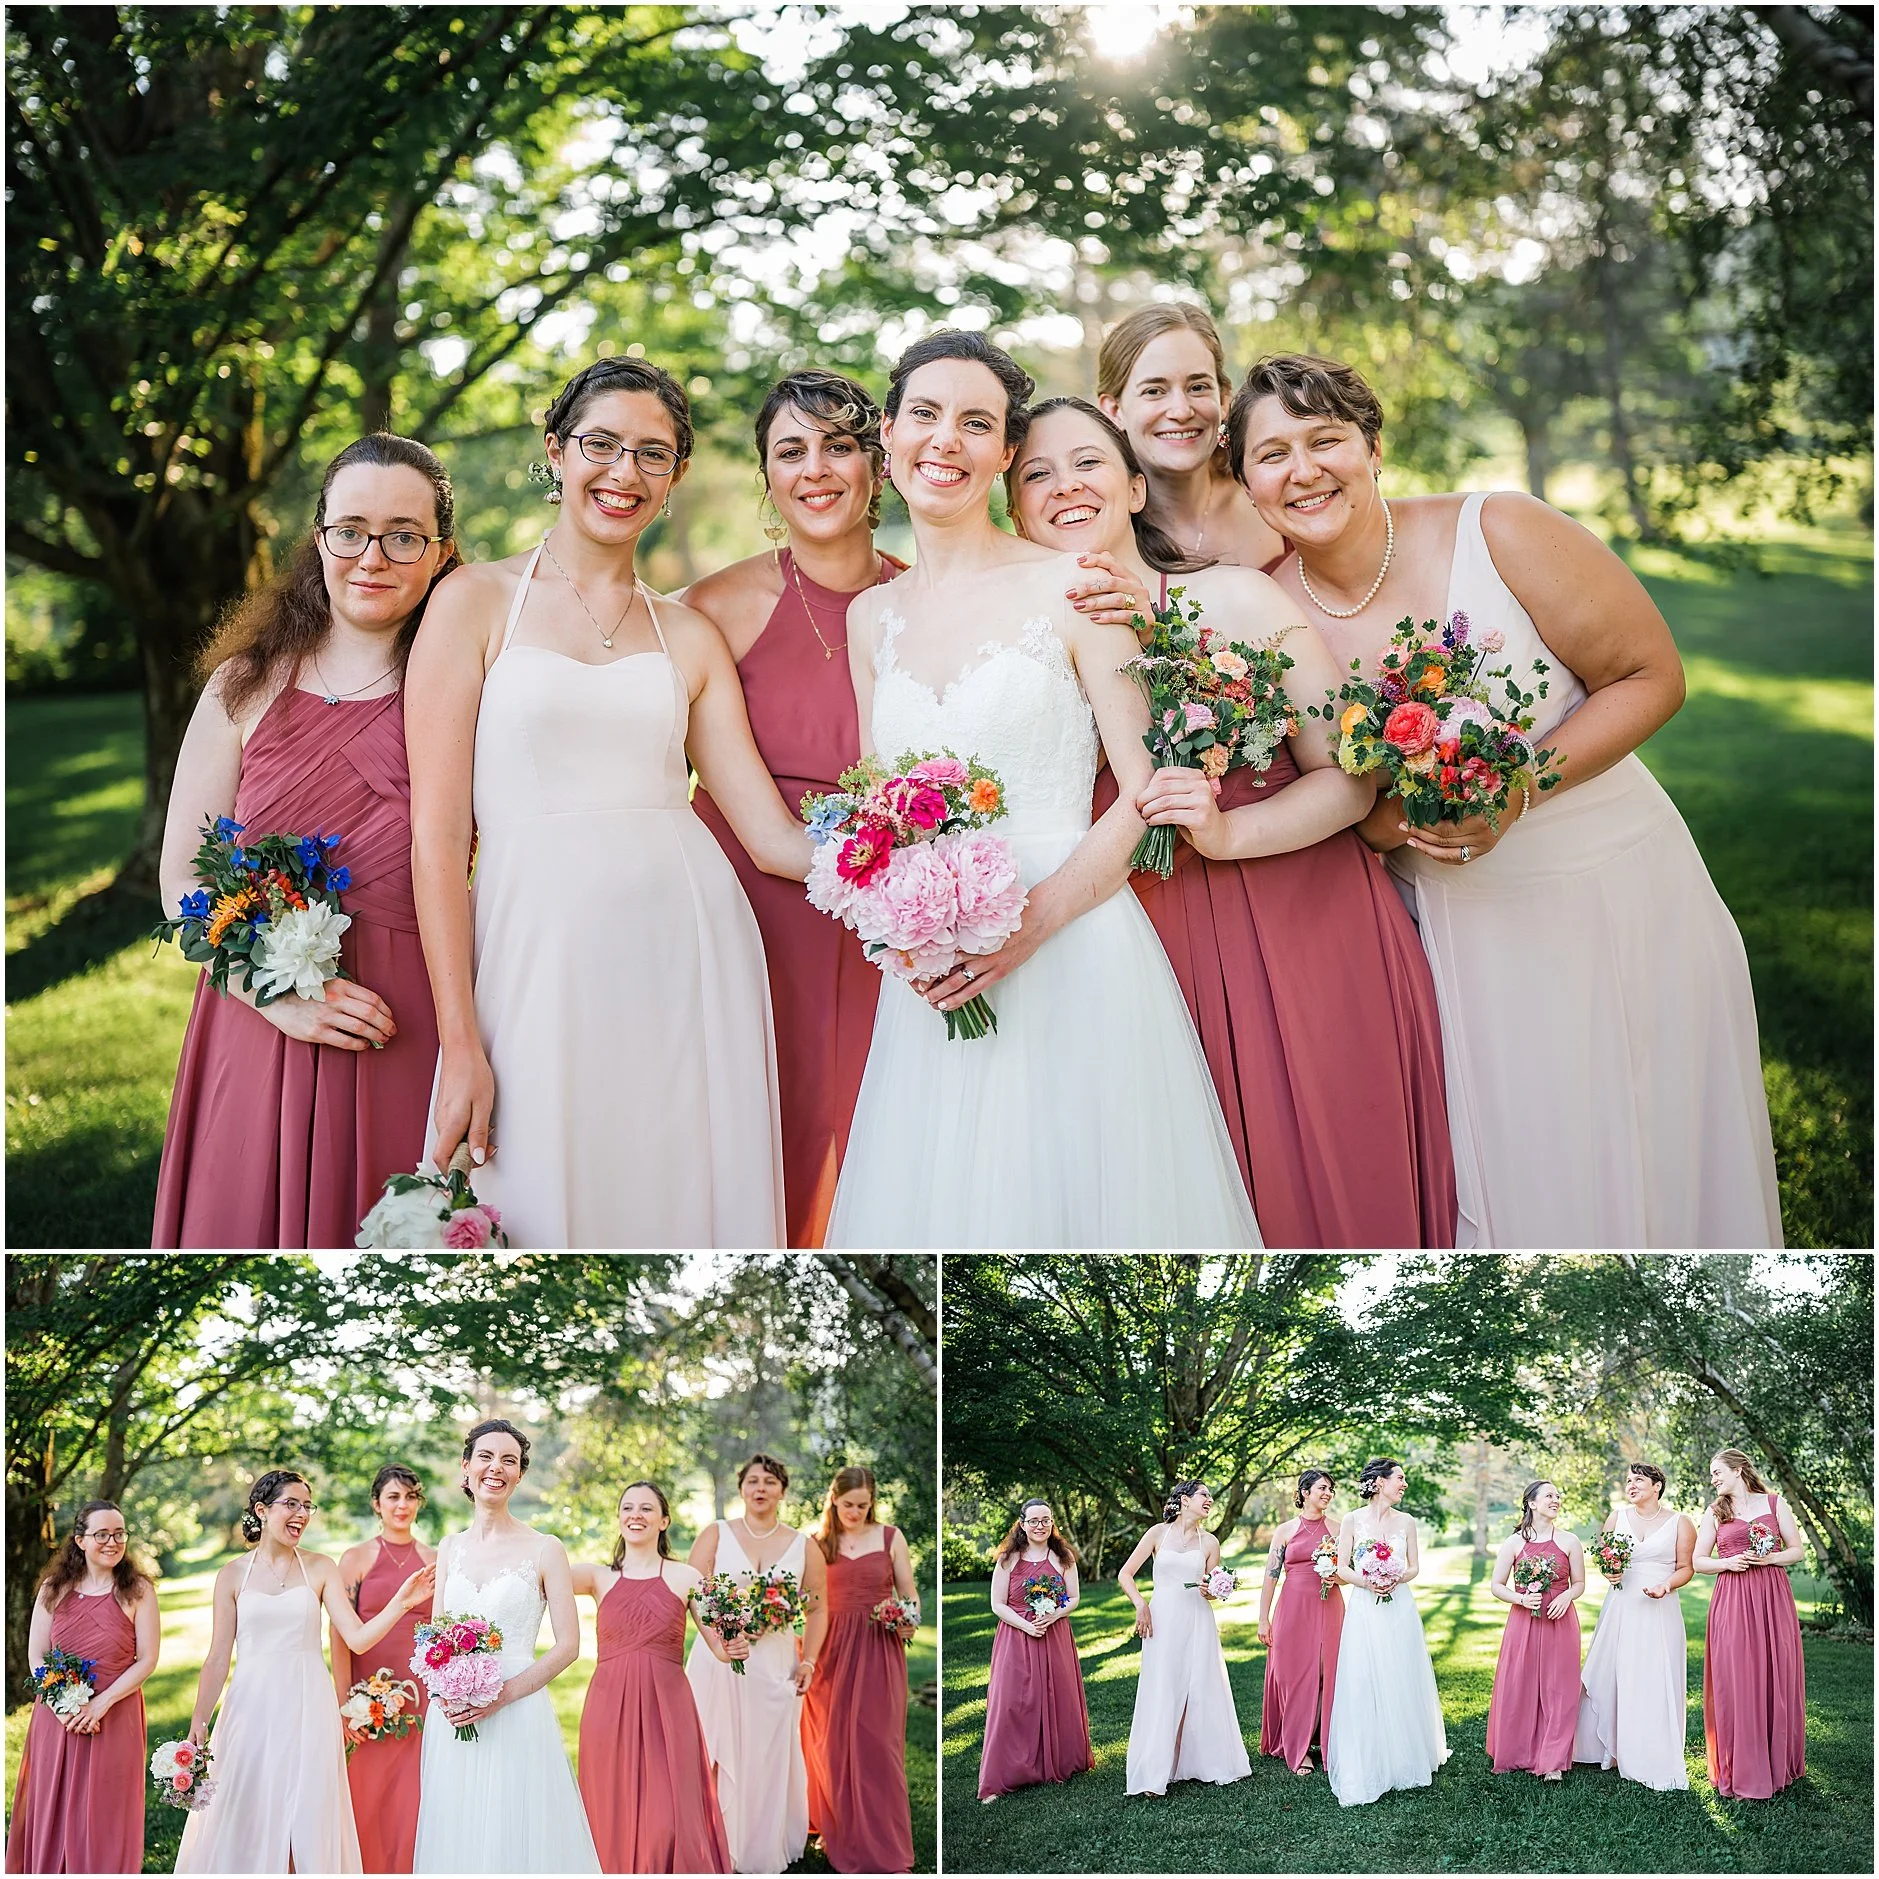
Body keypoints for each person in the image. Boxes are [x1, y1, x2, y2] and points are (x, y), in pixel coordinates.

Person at [1233, 351, 1783, 1248]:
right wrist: (1404, 813)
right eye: (1271, 453)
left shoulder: (1501, 530)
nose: (1302, 470)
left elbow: (1650, 676)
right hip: (1461, 936)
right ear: (1247, 484)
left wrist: (1517, 787)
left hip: (1616, 894)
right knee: (1529, 1178)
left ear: (1372, 447)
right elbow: (1356, 814)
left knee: (1658, 1143)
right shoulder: (1264, 611)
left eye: (1324, 439)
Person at [824, 329, 1258, 1249]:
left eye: (975, 423)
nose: (946, 440)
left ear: (1002, 454)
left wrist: (1029, 923)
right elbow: (879, 810)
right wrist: (900, 922)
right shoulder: (871, 618)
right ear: (889, 437)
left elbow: (1147, 797)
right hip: (933, 973)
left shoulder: (1074, 584)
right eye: (925, 415)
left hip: (1075, 946)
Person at [1008, 397, 1457, 1246]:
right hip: (1136, 944)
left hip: (1303, 918)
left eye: (1088, 464)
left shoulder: (1238, 599)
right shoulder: (1017, 653)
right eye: (1036, 473)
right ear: (1014, 509)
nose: (1064, 486)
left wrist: (1230, 834)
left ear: (1137, 488)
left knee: (1330, 1175)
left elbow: (1349, 781)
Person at [407, 355, 814, 1248]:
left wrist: (904, 862)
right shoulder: (472, 603)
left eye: (652, 455)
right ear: (555, 452)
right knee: (537, 1190)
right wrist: (460, 1039)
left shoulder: (690, 633)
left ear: (674, 478)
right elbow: (436, 839)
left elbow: (775, 838)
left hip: (690, 951)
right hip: (532, 952)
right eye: (601, 444)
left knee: (681, 1188)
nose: (623, 472)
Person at [153, 433, 456, 1247]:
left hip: (414, 1019)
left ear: (440, 553)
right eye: (350, 530)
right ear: (319, 538)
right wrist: (274, 995)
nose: (373, 556)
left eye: (403, 535)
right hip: (254, 1026)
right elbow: (184, 878)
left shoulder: (473, 692)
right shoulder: (242, 685)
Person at [683, 372, 900, 1247]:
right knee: (755, 1132)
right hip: (748, 907)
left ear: (876, 466)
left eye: (839, 445)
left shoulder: (923, 603)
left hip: (892, 912)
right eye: (790, 451)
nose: (816, 469)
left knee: (872, 1133)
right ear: (767, 478)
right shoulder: (713, 609)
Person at [176, 1470, 435, 1873]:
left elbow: (358, 1637)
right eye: (291, 1504)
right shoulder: (231, 1575)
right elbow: (216, 1658)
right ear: (262, 1511)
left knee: (310, 1808)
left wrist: (402, 1602)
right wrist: (199, 1718)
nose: (301, 1514)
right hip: (251, 1703)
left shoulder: (320, 1568)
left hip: (309, 1704)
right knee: (247, 1802)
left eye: (306, 1506)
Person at [412, 1420, 598, 1872]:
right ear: (466, 1466)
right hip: (452, 1714)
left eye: (509, 1460)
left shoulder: (545, 1548)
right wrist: (446, 1690)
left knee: (515, 1833)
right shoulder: (449, 1546)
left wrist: (502, 1696)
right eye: (486, 1457)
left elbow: (568, 1645)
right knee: (456, 1829)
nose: (496, 1467)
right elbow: (436, 1634)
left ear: (519, 1475)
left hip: (517, 1709)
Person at [571, 1481, 732, 1874]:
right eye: (628, 1508)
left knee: (669, 1814)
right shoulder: (596, 1576)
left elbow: (721, 1647)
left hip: (668, 1706)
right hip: (610, 1706)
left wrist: (736, 1645)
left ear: (664, 1521)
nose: (635, 1515)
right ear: (619, 1518)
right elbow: (536, 1575)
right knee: (611, 1802)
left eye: (646, 1509)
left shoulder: (686, 1577)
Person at [686, 1453, 828, 1873]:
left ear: (782, 1490)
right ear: (741, 1487)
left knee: (765, 1756)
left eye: (769, 1481)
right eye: (752, 1481)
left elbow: (818, 1609)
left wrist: (810, 1662)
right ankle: (713, 1844)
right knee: (713, 1747)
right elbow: (693, 1592)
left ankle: (759, 1848)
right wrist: (722, 1635)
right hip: (720, 1660)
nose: (760, 1488)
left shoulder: (805, 1546)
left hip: (775, 1666)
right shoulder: (716, 1533)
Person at [6, 1500, 157, 1875]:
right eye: (102, 1534)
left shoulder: (137, 1590)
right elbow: (38, 1656)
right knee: (53, 1807)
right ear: (80, 1540)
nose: (113, 1541)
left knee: (106, 1811)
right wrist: (64, 1707)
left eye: (119, 1533)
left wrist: (100, 1704)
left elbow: (148, 1660)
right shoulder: (53, 1589)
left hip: (115, 1713)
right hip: (57, 1718)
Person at [1096, 303, 1285, 569]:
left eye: (1197, 387)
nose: (1181, 411)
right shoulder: (1095, 524)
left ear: (1223, 399)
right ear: (1114, 409)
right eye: (1154, 391)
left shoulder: (1274, 490)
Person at [801, 1467, 917, 1873]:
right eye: (848, 1504)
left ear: (873, 1502)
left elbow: (909, 1593)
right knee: (831, 1746)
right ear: (834, 1499)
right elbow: (806, 1603)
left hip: (878, 1648)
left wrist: (908, 1619)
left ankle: (884, 1841)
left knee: (878, 1746)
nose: (855, 1511)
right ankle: (840, 1831)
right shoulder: (815, 1544)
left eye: (863, 1505)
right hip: (830, 1650)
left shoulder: (890, 1537)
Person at [1322, 1458, 1448, 1806]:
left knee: (1400, 1674)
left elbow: (1414, 1567)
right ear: (1378, 1482)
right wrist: (1368, 1581)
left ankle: (1405, 1757)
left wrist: (1394, 1577)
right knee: (1364, 1678)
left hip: (1399, 1606)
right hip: (1364, 1608)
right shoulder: (1351, 1520)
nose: (1403, 1484)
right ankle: (1370, 1756)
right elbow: (1342, 1567)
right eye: (1399, 1479)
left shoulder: (1406, 1522)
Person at [331, 1465, 436, 1874]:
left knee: (414, 1795)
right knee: (367, 1793)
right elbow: (339, 1636)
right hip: (368, 1695)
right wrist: (344, 1701)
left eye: (410, 1497)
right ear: (377, 1503)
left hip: (420, 1695)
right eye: (393, 1497)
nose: (402, 1505)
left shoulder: (434, 1560)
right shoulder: (356, 1559)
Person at [1118, 1482, 1251, 1796]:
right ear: (1184, 1500)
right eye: (1204, 1495)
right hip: (1162, 1619)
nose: (1210, 1500)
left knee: (1202, 1686)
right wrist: (1141, 1605)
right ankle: (1154, 1771)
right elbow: (1126, 1574)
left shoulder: (1210, 1542)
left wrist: (1214, 1591)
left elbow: (1212, 1585)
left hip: (1197, 1620)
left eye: (1210, 1496)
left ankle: (1204, 1762)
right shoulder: (1156, 1534)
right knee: (1163, 1686)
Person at [1693, 1447, 1808, 1799]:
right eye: (1711, 1474)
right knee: (1738, 1675)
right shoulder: (1714, 1512)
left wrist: (1769, 1557)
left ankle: (1775, 1762)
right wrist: (1727, 1564)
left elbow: (1797, 1550)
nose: (1713, 1479)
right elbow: (1699, 1561)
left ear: (1739, 1468)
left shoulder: (1774, 1504)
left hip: (1772, 1597)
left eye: (1717, 1472)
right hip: (1732, 1599)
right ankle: (1740, 1765)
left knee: (1774, 1671)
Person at [1573, 1461, 1695, 1790]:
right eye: (1628, 1480)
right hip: (1622, 1605)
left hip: (1659, 1607)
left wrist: (1666, 1586)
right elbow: (1605, 1557)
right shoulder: (1617, 1517)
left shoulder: (1680, 1522)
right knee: (1614, 1670)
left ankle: (1649, 1748)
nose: (1631, 1484)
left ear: (1657, 1486)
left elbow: (1686, 1567)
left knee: (1653, 1672)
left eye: (1638, 1480)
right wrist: (1609, 1572)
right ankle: (1608, 1748)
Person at [978, 1499, 1093, 1802]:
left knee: (1058, 1697)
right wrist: (1027, 1626)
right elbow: (997, 1604)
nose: (1040, 1526)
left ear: (1052, 1523)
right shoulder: (1007, 1559)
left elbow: (1074, 1597)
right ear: (1022, 1524)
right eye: (1034, 1521)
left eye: (1045, 1520)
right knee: (1011, 1703)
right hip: (1016, 1637)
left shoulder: (1063, 1557)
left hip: (1054, 1635)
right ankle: (1001, 1776)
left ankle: (1059, 1763)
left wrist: (1055, 1614)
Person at [1485, 1480, 1585, 1779]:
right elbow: (1496, 1585)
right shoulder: (1514, 1543)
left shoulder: (1569, 1541)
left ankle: (1552, 1760)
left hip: (1560, 1619)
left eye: (1558, 1496)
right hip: (1524, 1620)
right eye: (1549, 1496)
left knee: (1560, 1688)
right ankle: (1517, 1751)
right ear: (1532, 1503)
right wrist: (1521, 1598)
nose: (1556, 1500)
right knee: (1520, 1684)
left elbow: (1579, 1583)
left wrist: (1567, 1595)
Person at [1257, 1468, 1343, 1776]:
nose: (1327, 1493)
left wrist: (1339, 1579)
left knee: (1328, 1673)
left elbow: (1349, 1573)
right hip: (1292, 1608)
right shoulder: (1285, 1531)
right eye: (1322, 1488)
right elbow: (1270, 1576)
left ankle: (1328, 1741)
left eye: (1330, 1489)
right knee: (1293, 1675)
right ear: (1304, 1492)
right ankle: (1299, 1746)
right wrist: (1263, 1619)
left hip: (1329, 1606)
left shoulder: (1339, 1528)